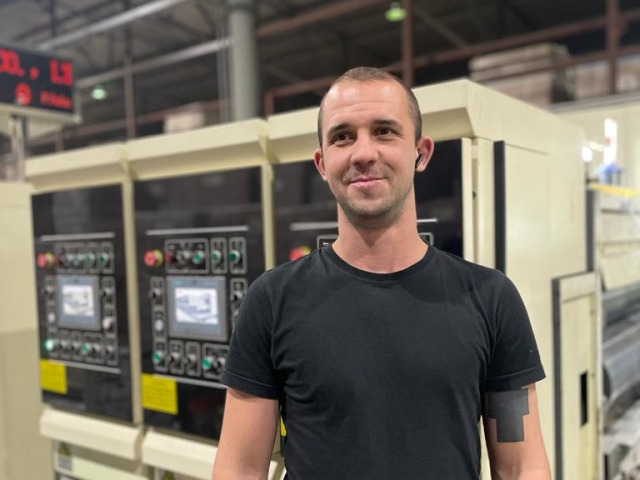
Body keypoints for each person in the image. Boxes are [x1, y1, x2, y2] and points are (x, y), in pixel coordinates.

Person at [212, 67, 551, 479]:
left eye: (385, 131)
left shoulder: (491, 298)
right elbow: (240, 467)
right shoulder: (272, 300)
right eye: (342, 136)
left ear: (421, 152)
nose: (363, 153)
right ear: (322, 163)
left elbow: (520, 465)